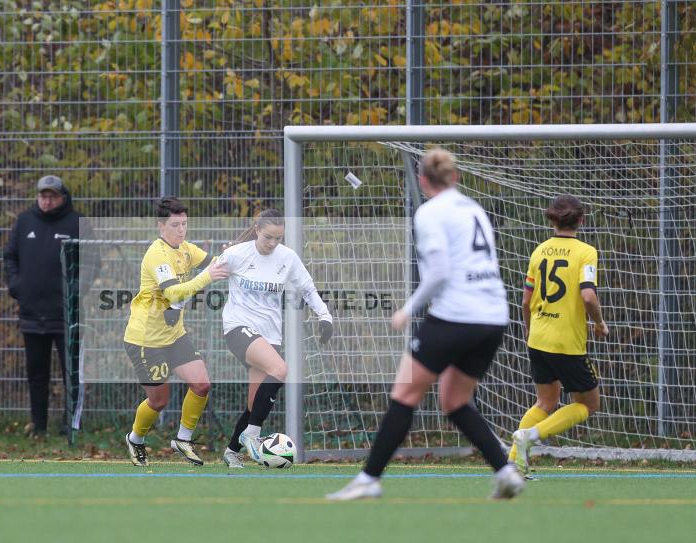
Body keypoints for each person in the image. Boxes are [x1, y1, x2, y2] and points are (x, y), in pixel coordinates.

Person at [327, 149, 524, 501]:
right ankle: (505, 471)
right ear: (455, 177)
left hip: (457, 315)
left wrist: (407, 309)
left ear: (422, 181)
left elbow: (439, 272)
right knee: (455, 400)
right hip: (493, 316)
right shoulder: (473, 208)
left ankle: (369, 478)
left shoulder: (431, 212)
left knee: (405, 394)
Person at [216, 209, 333, 468]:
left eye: (278, 238)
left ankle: (232, 450)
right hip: (238, 328)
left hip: (269, 335)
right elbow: (206, 273)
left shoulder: (287, 257)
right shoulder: (237, 254)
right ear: (257, 230)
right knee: (280, 369)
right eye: (267, 237)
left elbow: (308, 289)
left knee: (254, 404)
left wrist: (325, 316)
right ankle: (252, 436)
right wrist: (175, 305)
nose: (272, 243)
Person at [122, 197, 228, 467]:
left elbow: (215, 262)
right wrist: (207, 276)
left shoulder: (186, 249)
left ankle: (183, 439)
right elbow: (173, 293)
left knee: (202, 384)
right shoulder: (157, 254)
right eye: (175, 225)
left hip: (174, 335)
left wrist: (230, 256)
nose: (181, 230)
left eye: (184, 224)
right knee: (159, 401)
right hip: (146, 340)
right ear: (161, 226)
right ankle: (135, 438)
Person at [510, 195, 607, 477]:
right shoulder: (586, 252)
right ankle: (529, 436)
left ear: (552, 219)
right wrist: (599, 323)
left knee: (545, 402)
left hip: (538, 337)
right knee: (588, 403)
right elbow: (588, 296)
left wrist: (529, 328)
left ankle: (513, 464)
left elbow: (526, 301)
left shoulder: (539, 251)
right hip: (566, 342)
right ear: (581, 220)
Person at [3, 175, 98, 437]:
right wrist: (17, 285)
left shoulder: (76, 222)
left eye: (52, 196)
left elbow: (92, 261)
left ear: (62, 197)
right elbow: (10, 256)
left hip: (66, 316)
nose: (47, 201)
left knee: (71, 374)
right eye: (43, 196)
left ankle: (72, 426)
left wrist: (75, 292)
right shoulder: (25, 221)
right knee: (37, 374)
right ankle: (39, 427)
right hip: (32, 314)